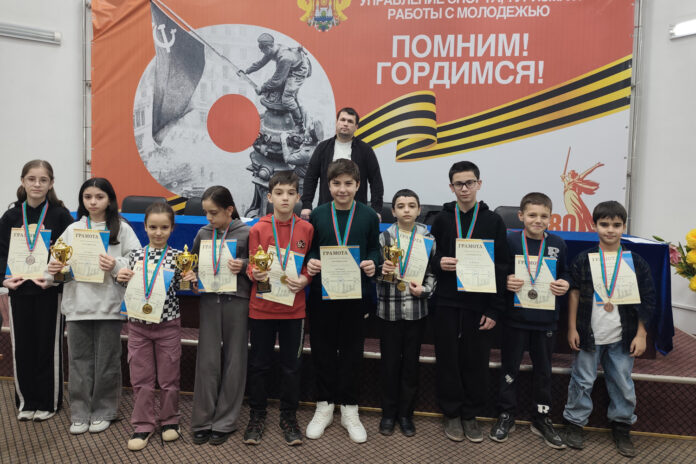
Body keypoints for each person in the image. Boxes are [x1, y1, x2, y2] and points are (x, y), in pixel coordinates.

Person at [562, 201, 655, 458]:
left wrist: (641, 334)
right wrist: (572, 328)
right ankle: (575, 423)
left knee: (622, 382)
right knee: (582, 380)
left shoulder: (635, 262)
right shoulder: (584, 259)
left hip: (623, 335)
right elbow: (574, 294)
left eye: (616, 225)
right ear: (594, 226)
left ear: (624, 226)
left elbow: (647, 300)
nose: (610, 230)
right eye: (604, 224)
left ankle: (622, 425)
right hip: (589, 332)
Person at [48, 177, 141, 434]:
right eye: (87, 197)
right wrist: (56, 268)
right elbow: (57, 266)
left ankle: (104, 410)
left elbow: (137, 260)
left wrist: (115, 265)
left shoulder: (121, 229)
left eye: (99, 197)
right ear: (82, 200)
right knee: (78, 361)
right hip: (78, 304)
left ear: (109, 200)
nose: (93, 202)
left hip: (109, 305)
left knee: (107, 361)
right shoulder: (73, 229)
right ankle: (80, 412)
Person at [430, 160, 511, 442]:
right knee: (448, 359)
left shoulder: (493, 221)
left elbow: (502, 266)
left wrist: (495, 309)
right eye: (459, 184)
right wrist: (440, 262)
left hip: (479, 304)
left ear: (479, 184)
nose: (464, 188)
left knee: (476, 360)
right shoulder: (441, 219)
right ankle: (452, 413)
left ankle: (470, 414)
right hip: (447, 301)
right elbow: (428, 257)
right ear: (451, 187)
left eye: (469, 183)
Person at [304, 159, 380, 444]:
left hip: (355, 294)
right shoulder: (318, 215)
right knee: (322, 350)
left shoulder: (369, 216)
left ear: (358, 185)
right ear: (328, 185)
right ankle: (324, 405)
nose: (342, 189)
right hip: (323, 295)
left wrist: (372, 261)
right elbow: (310, 250)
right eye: (336, 184)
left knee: (351, 351)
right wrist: (312, 261)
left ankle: (349, 407)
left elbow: (374, 249)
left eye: (348, 183)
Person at [489, 192, 569, 448]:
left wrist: (565, 283)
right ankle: (506, 414)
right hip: (515, 318)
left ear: (551, 218)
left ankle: (542, 417)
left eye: (544, 216)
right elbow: (497, 270)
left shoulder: (558, 244)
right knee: (509, 369)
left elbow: (565, 273)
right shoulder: (510, 241)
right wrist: (505, 281)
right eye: (532, 215)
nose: (538, 220)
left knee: (544, 371)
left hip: (546, 320)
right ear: (521, 216)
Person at [116, 202, 196, 451]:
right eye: (153, 227)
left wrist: (191, 279)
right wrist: (121, 278)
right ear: (145, 227)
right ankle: (143, 424)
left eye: (164, 227)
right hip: (138, 325)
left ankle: (170, 420)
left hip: (167, 324)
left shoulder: (179, 257)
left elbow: (188, 288)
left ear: (172, 228)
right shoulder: (135, 256)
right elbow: (127, 285)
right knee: (141, 378)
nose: (158, 232)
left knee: (169, 377)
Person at [243, 171, 314, 447]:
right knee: (259, 365)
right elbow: (251, 264)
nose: (285, 198)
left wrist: (305, 278)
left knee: (291, 366)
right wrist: (255, 273)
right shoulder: (258, 229)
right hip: (261, 308)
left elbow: (310, 264)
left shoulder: (306, 229)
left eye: (291, 193)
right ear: (269, 196)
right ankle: (257, 415)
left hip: (293, 311)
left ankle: (288, 416)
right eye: (279, 193)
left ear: (298, 197)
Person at [0, 160, 74, 422]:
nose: (37, 184)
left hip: (48, 292)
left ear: (51, 183)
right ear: (23, 181)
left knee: (47, 347)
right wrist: (4, 280)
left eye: (43, 180)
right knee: (22, 348)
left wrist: (55, 279)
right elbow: (1, 253)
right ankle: (26, 401)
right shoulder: (11, 216)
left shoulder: (60, 216)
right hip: (19, 291)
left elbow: (70, 256)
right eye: (31, 179)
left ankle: (48, 402)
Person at [190, 186, 250, 446]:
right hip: (210, 301)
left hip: (237, 300)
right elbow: (193, 266)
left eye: (213, 213)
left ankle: (225, 421)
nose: (209, 218)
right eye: (206, 213)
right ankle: (202, 420)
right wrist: (193, 279)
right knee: (207, 360)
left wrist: (244, 265)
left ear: (229, 210)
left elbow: (262, 267)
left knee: (235, 360)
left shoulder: (247, 233)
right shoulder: (203, 233)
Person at [376, 189, 436, 437]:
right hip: (388, 310)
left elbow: (432, 273)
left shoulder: (428, 238)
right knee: (389, 365)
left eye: (411, 205)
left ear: (419, 210)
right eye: (401, 206)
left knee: (411, 366)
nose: (407, 210)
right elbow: (374, 272)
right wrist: (382, 271)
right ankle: (388, 414)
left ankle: (405, 415)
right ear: (393, 211)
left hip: (416, 310)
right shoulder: (384, 238)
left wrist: (425, 290)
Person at [300, 108, 384, 219]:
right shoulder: (323, 148)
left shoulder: (365, 150)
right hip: (326, 210)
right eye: (343, 120)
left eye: (350, 121)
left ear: (356, 127)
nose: (345, 124)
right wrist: (306, 205)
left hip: (357, 212)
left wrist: (376, 209)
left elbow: (375, 181)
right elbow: (311, 177)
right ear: (337, 122)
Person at [240, 33, 311, 132]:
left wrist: (262, 88)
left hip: (298, 71)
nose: (261, 51)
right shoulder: (273, 49)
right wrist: (246, 71)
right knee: (277, 90)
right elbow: (260, 63)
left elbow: (277, 81)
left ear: (268, 47)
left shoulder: (284, 57)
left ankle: (299, 124)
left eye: (262, 49)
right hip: (290, 66)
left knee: (287, 98)